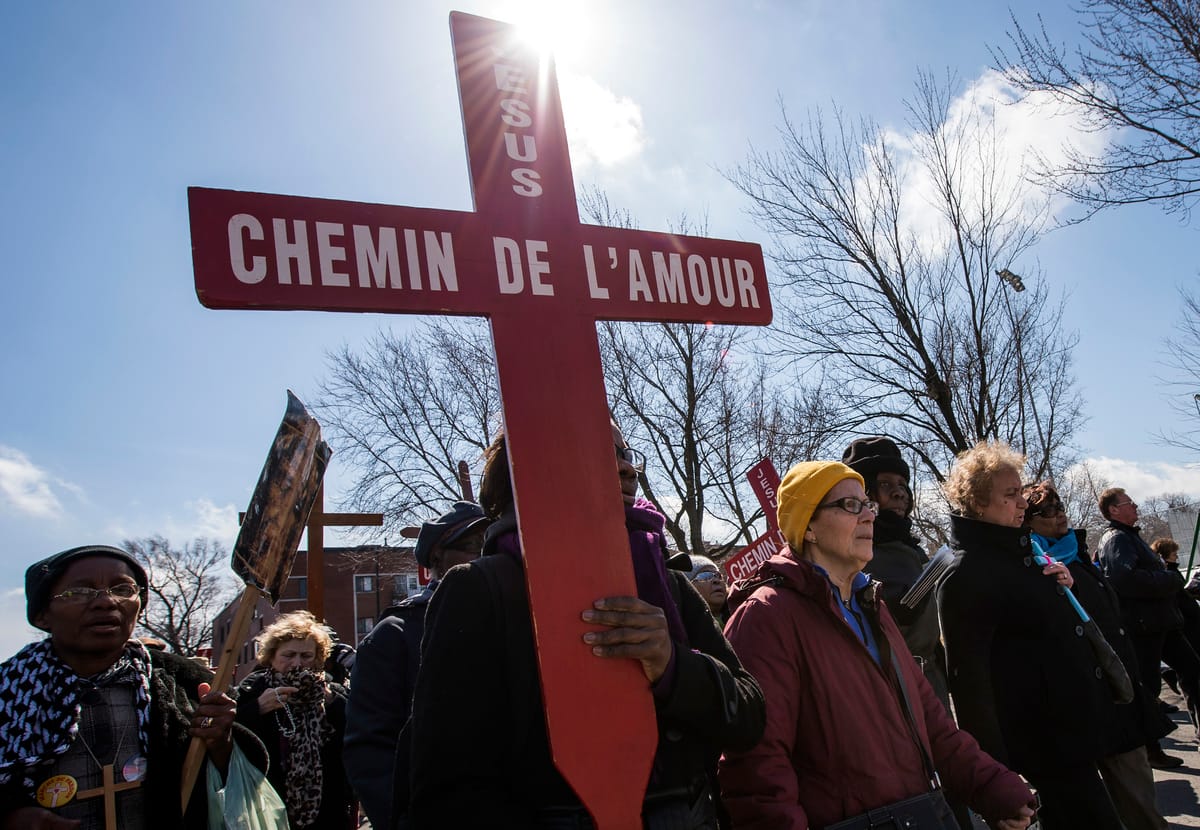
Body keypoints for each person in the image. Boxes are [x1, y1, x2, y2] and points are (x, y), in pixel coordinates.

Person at [408, 423, 765, 828]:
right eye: (603, 451)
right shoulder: (480, 590)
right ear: (540, 467)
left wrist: (673, 665)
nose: (628, 470)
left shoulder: (669, 584)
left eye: (628, 455)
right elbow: (448, 793)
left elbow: (748, 717)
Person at [718, 460, 1035, 830]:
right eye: (850, 506)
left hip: (922, 814)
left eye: (867, 504)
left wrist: (993, 786)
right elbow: (758, 769)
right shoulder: (766, 617)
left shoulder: (871, 606)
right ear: (810, 529)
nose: (869, 515)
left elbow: (933, 724)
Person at [0, 544, 263, 829]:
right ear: (42, 615)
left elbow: (242, 778)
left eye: (123, 590)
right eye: (80, 592)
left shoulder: (185, 682)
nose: (106, 602)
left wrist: (220, 743)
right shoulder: (10, 689)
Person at [937, 442, 1123, 830]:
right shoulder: (964, 575)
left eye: (1021, 491)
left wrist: (1063, 588)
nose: (1023, 502)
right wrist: (995, 775)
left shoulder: (1025, 555)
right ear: (977, 502)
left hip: (1071, 737)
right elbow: (970, 686)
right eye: (1010, 494)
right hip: (1039, 747)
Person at [1025, 481, 1172, 829]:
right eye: (1045, 511)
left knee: (1140, 799)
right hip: (1088, 701)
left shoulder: (1075, 554)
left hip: (1119, 691)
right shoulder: (1036, 566)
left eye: (1059, 505)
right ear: (1025, 521)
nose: (1058, 513)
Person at [343, 501, 489, 830]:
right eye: (470, 547)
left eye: (490, 544)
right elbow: (370, 746)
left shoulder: (521, 618)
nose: (483, 555)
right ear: (436, 559)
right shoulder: (396, 634)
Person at [841, 436, 951, 707]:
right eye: (886, 485)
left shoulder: (914, 550)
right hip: (886, 696)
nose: (900, 493)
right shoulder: (851, 555)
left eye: (903, 485)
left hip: (931, 689)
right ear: (863, 496)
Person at [236, 610, 356, 830]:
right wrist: (257, 709)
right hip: (267, 807)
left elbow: (357, 735)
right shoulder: (252, 691)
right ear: (272, 656)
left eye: (306, 656)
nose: (297, 663)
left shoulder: (333, 692)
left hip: (328, 811)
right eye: (288, 655)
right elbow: (231, 739)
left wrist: (333, 703)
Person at [1097, 488, 1200, 742]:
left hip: (1162, 622)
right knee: (1148, 686)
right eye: (1129, 503)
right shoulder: (1116, 539)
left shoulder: (1130, 537)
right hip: (1144, 626)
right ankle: (1150, 746)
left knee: (1194, 671)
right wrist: (1169, 578)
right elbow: (1124, 578)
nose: (1135, 506)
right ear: (1113, 510)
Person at [667, 553, 730, 624]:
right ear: (688, 586)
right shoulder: (682, 631)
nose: (716, 580)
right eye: (705, 576)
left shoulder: (742, 611)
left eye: (718, 576)